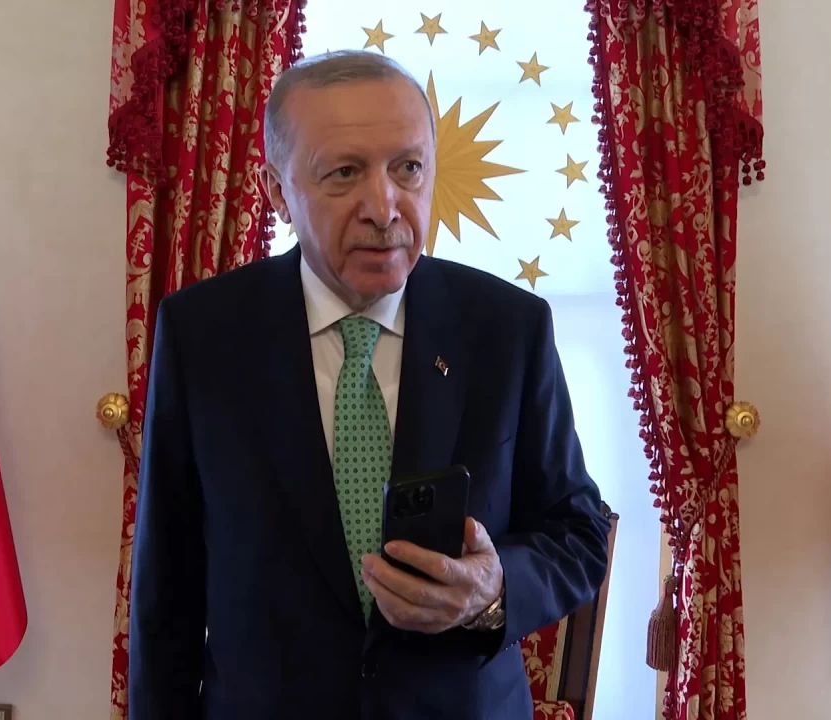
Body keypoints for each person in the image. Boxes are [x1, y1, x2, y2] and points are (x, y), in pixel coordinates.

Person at [127, 49, 611, 720]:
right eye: (344, 173)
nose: (384, 208)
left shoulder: (507, 327)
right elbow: (167, 593)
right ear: (276, 191)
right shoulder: (203, 334)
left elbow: (578, 531)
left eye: (407, 169)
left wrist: (495, 587)